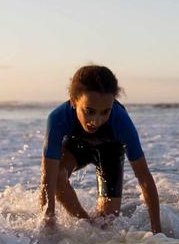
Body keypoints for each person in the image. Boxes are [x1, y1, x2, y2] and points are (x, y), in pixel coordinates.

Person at [39, 65, 162, 234]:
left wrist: (157, 230)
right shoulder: (57, 118)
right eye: (89, 111)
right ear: (73, 101)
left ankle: (94, 231)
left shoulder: (122, 122)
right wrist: (48, 219)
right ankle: (85, 225)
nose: (96, 121)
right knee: (58, 177)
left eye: (105, 112)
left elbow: (144, 177)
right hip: (77, 147)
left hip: (110, 152)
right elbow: (48, 177)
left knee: (107, 224)